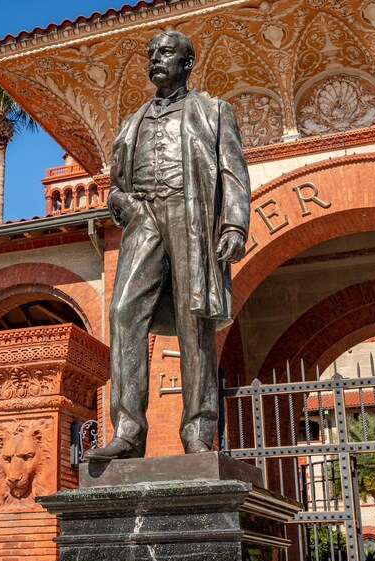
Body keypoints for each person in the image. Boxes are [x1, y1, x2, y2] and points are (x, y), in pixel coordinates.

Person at [84, 30, 250, 460]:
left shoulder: (214, 112)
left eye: (166, 52)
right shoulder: (131, 121)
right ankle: (127, 431)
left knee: (194, 321)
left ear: (188, 62)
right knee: (123, 311)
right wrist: (122, 202)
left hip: (190, 214)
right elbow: (115, 187)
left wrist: (234, 223)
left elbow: (232, 173)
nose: (156, 59)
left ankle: (198, 432)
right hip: (144, 218)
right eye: (151, 53)